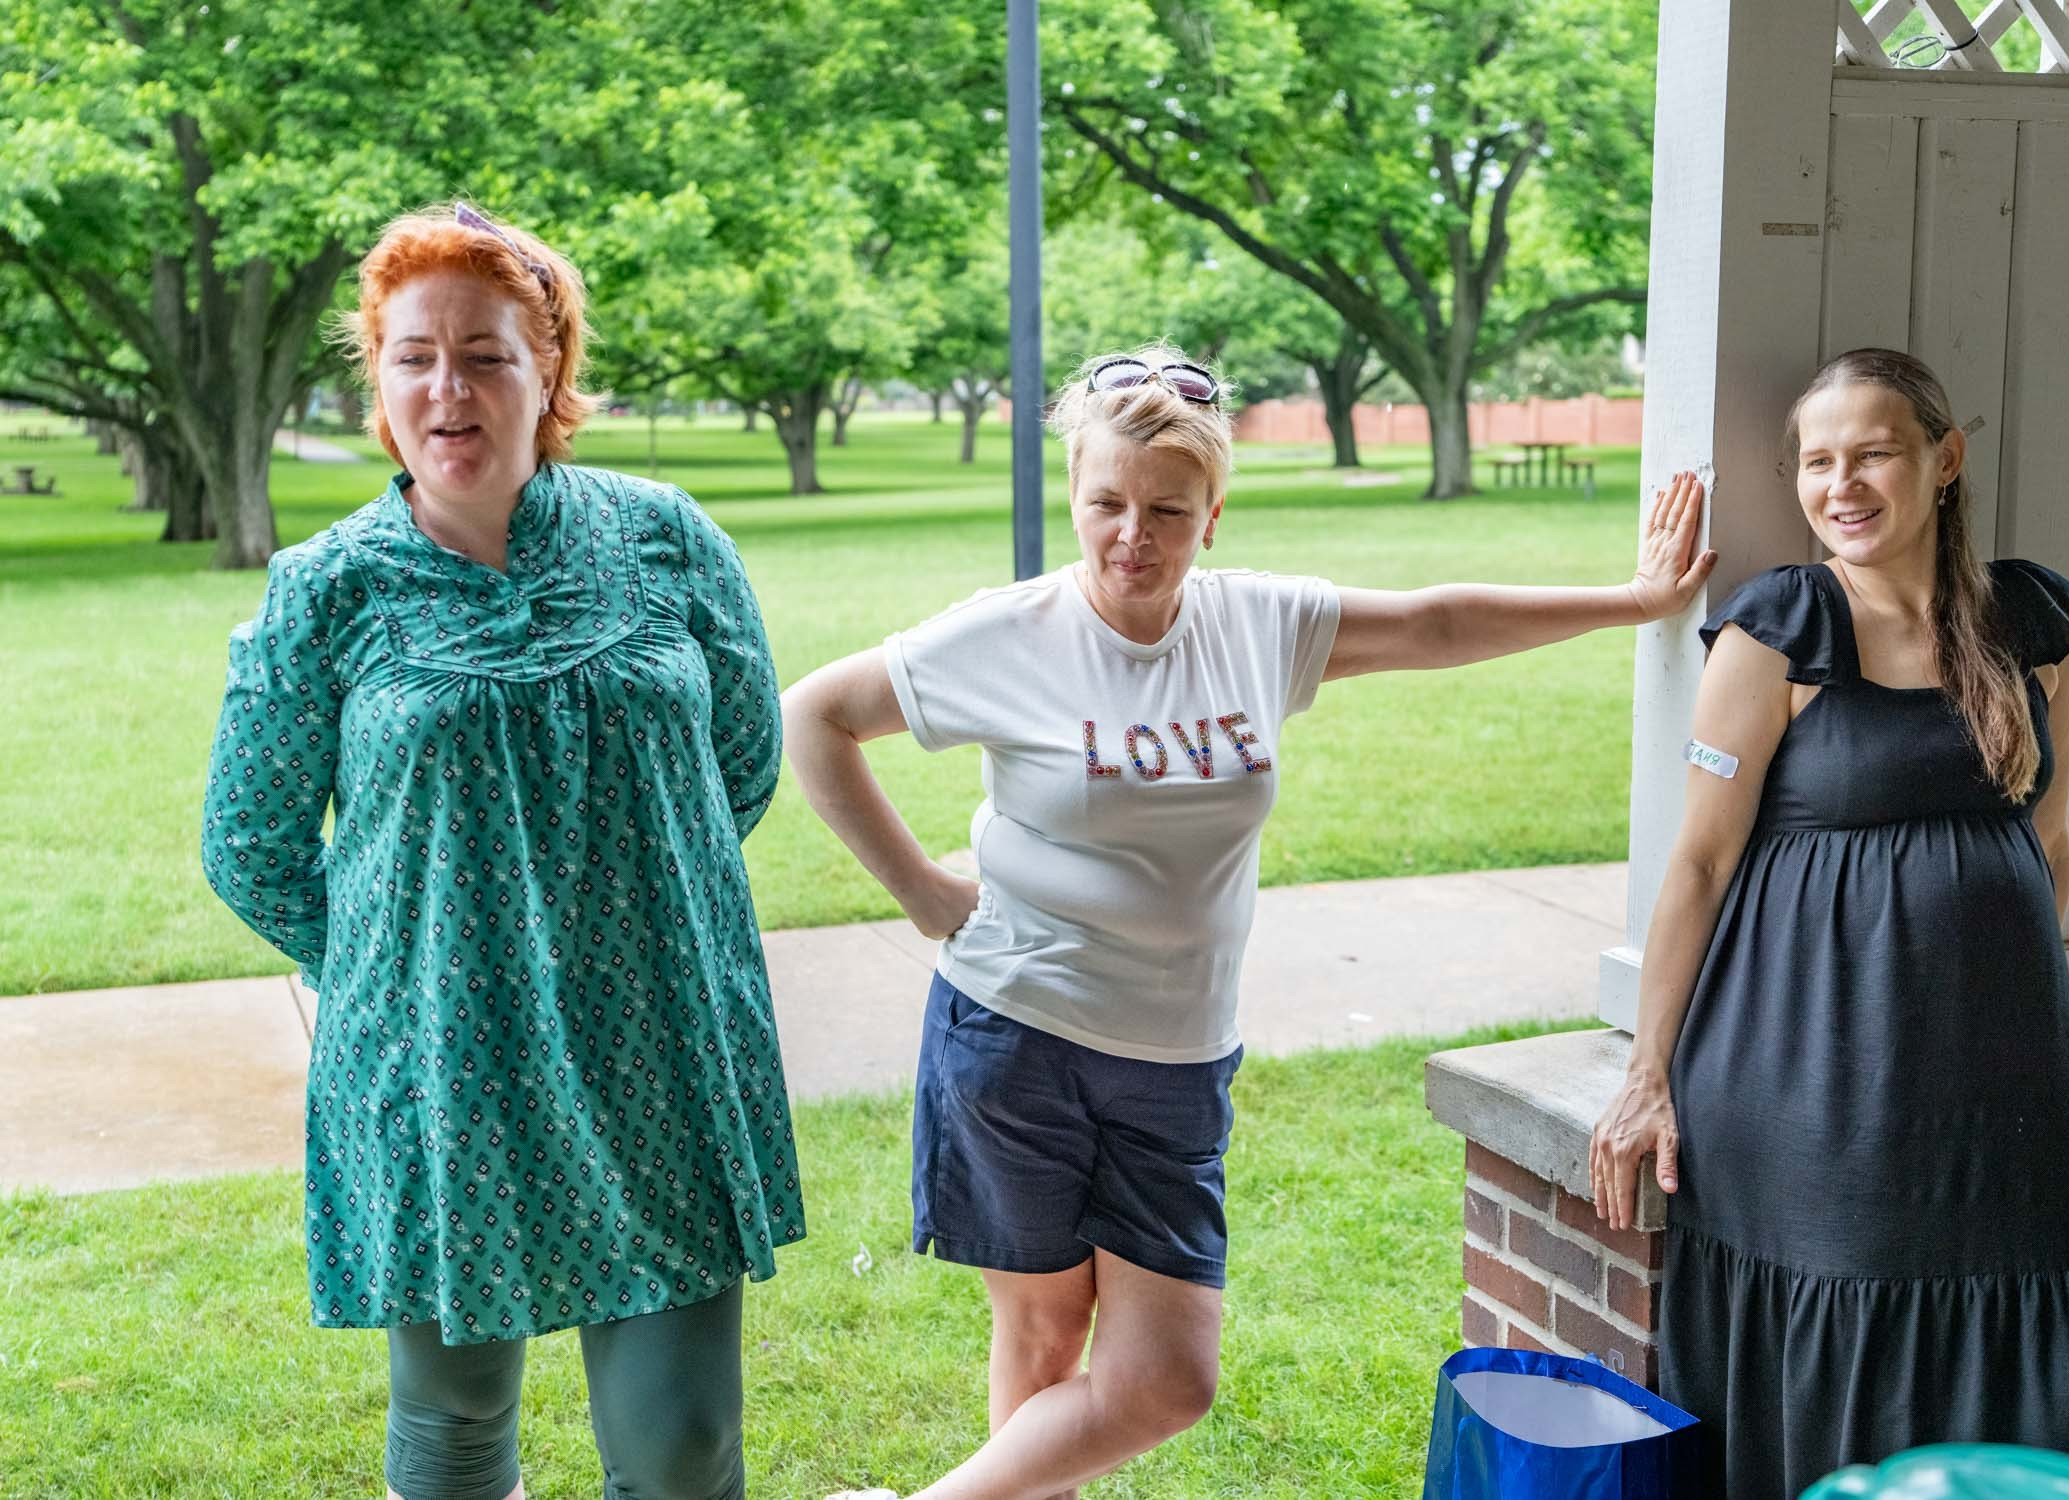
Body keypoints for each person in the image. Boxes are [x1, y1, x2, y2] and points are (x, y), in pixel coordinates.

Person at [784, 343, 1715, 1500]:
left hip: (1176, 1055)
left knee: (1165, 1381)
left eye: (1168, 510)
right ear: (1075, 497)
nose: (1133, 535)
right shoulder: (1007, 633)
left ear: (1212, 514)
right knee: (1039, 1346)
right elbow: (814, 716)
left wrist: (1632, 601)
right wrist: (921, 890)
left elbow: (1433, 623)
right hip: (1015, 1029)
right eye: (1107, 504)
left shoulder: (1253, 626)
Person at [201, 203, 801, 1500]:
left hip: (658, 1042)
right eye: (413, 355)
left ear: (551, 371)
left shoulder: (665, 539)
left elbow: (740, 765)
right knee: (457, 1423)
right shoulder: (330, 589)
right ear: (379, 380)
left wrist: (608, 910)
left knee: (682, 1442)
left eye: (487, 352)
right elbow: (247, 842)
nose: (448, 387)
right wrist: (404, 962)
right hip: (441, 1067)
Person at [1588, 347, 2069, 1496]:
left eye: (1872, 453)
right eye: (1816, 462)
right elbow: (1696, 864)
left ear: (1943, 460)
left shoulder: (2033, 624)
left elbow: (2046, 847)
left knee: (2039, 1351)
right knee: (1844, 1328)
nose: (1840, 484)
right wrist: (1648, 1071)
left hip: (2000, 1081)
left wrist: (2059, 1041)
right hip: (1813, 1071)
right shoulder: (1777, 630)